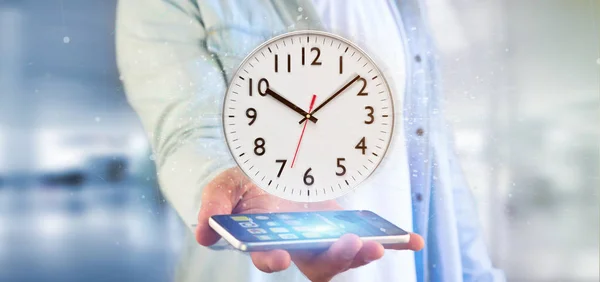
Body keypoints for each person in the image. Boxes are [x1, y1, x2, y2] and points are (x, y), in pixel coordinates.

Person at [115, 0, 505, 281]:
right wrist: (225, 181)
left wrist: (478, 273)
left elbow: (434, 155)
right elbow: (187, 128)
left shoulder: (407, 8)